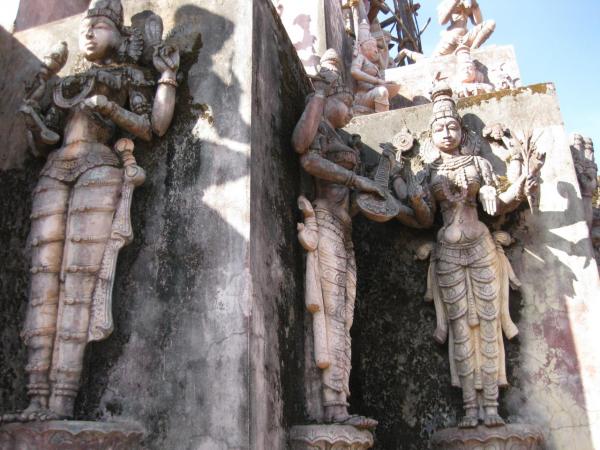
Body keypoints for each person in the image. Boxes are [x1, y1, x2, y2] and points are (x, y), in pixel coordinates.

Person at [7, 0, 179, 422]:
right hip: (55, 171)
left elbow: (152, 126)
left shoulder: (126, 76)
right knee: (44, 279)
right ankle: (36, 396)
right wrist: (33, 120)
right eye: (87, 26)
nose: (89, 32)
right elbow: (47, 138)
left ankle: (62, 399)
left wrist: (161, 79)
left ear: (120, 36)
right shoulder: (69, 83)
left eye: (100, 25)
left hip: (99, 169)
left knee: (79, 279)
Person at [404, 84, 540, 428]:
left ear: (463, 132)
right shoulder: (427, 172)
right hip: (448, 252)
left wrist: (517, 187)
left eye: (452, 126)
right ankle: (469, 407)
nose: (446, 133)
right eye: (439, 128)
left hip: (481, 247)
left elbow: (498, 205)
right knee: (460, 328)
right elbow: (424, 219)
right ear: (431, 134)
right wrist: (416, 198)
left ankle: (491, 407)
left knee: (489, 325)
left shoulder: (479, 164)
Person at [293, 49, 381, 429]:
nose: (350, 113)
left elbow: (357, 197)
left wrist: (373, 197)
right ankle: (331, 405)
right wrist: (318, 93)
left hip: (344, 228)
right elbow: (304, 153)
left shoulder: (344, 138)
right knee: (329, 313)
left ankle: (340, 401)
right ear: (330, 100)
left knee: (344, 317)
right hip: (326, 221)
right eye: (347, 103)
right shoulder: (321, 128)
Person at [351, 21, 399, 113]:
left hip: (371, 93)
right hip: (361, 96)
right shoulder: (360, 57)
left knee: (384, 92)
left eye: (375, 47)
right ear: (362, 47)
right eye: (371, 46)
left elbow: (383, 66)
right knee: (382, 92)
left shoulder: (373, 65)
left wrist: (386, 83)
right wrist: (377, 81)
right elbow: (354, 71)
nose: (376, 50)